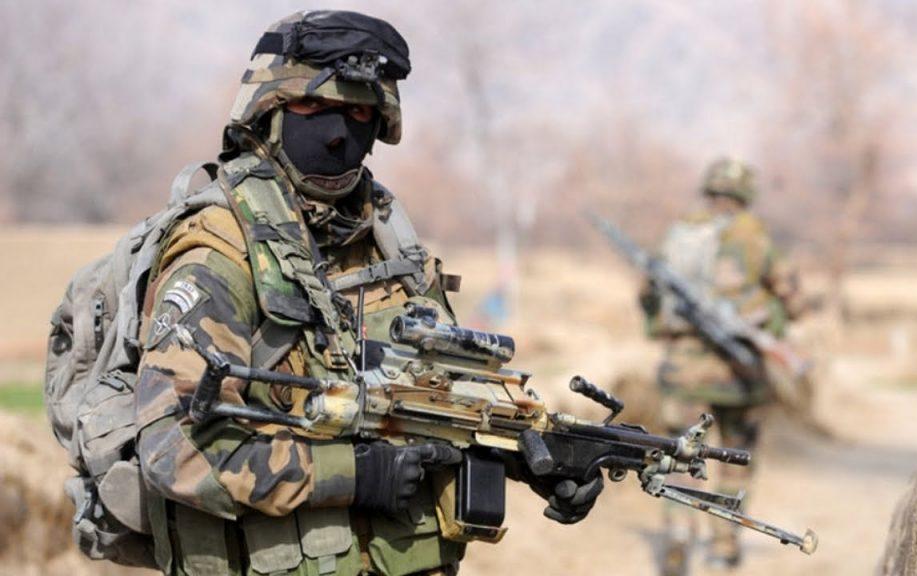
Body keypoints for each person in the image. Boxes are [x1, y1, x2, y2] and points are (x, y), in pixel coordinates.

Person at [135, 11, 601, 576]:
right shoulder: (220, 249)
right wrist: (353, 476)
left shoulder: (388, 241)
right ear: (269, 114)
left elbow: (434, 406)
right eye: (314, 109)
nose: (337, 133)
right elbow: (174, 448)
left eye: (357, 113)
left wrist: (529, 458)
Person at [640, 157, 801, 571]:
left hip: (683, 371)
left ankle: (678, 534)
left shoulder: (681, 235)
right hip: (739, 375)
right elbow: (791, 299)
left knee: (678, 455)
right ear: (746, 192)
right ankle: (724, 545)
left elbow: (649, 296)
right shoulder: (754, 236)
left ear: (709, 189)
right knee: (736, 457)